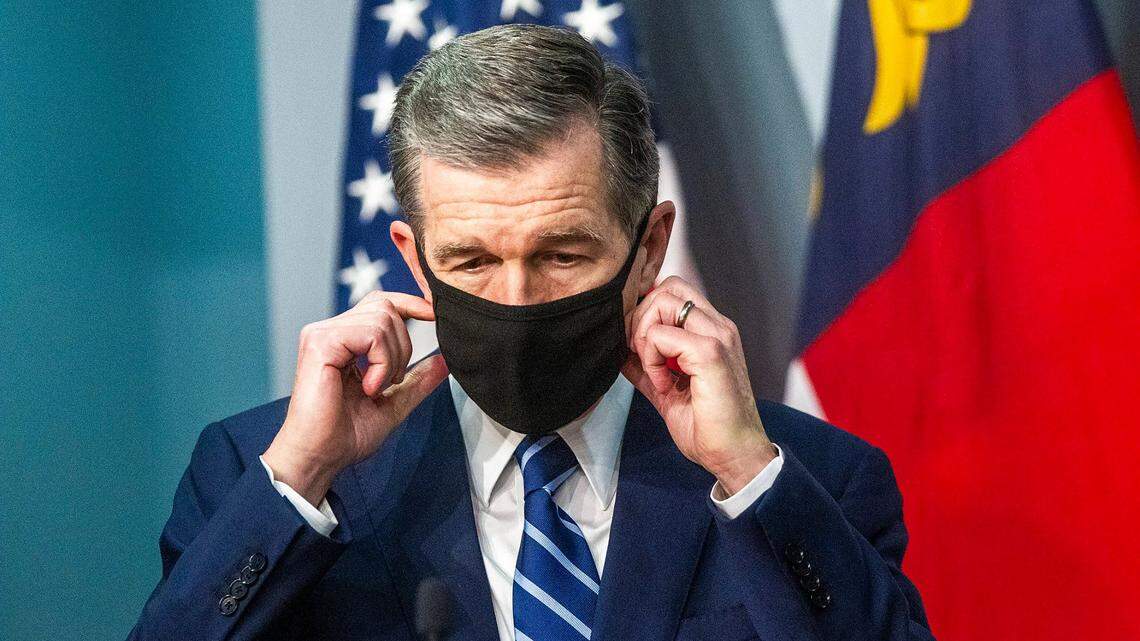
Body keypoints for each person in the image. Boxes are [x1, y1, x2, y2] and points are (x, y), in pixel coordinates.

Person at [129, 24, 934, 641]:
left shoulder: (814, 480)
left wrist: (746, 469)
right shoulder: (258, 473)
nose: (516, 299)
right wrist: (303, 472)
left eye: (561, 254)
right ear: (414, 259)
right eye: (472, 260)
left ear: (648, 247)